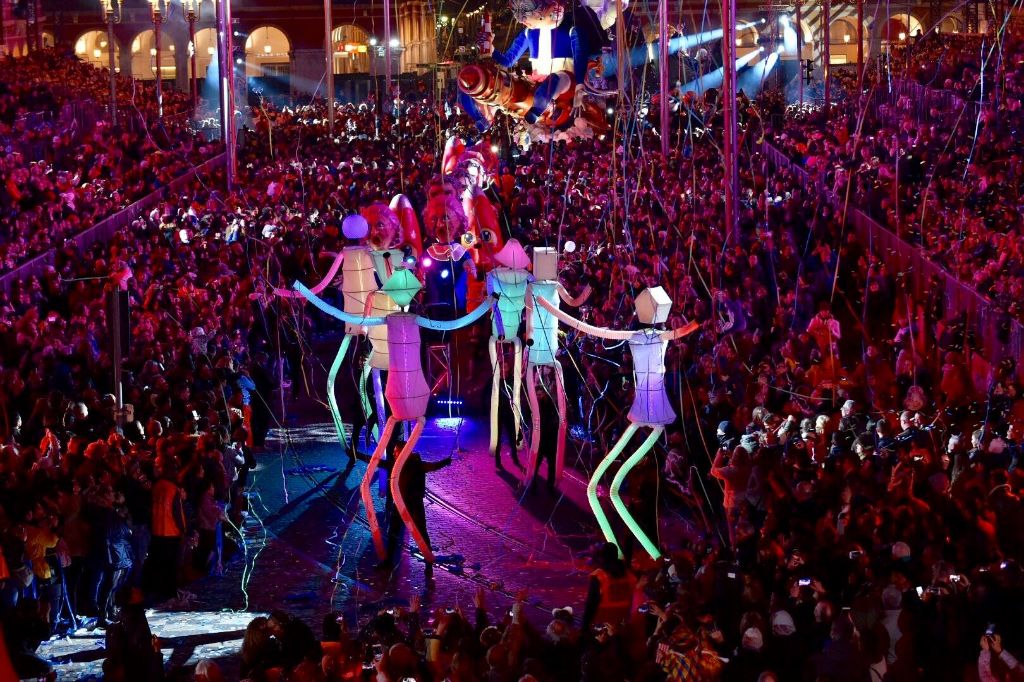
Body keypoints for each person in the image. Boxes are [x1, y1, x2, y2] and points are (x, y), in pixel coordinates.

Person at [380, 449, 453, 575]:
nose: (393, 454)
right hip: (401, 504)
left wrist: (445, 462)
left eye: (396, 451)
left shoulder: (415, 465)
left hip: (414, 506)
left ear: (402, 452)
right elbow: (381, 463)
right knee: (394, 533)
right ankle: (389, 561)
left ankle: (428, 563)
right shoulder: (400, 464)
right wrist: (360, 456)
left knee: (421, 534)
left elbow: (433, 466)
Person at [581, 542, 637, 632]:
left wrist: (584, 627)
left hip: (603, 625)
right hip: (623, 623)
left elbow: (591, 604)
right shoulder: (629, 575)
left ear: (602, 556)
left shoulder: (598, 576)